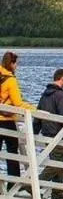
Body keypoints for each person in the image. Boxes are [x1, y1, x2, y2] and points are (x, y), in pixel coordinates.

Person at [0, 51, 36, 187]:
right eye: (16, 64)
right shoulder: (10, 80)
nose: (17, 67)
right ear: (11, 64)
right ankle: (14, 183)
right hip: (7, 120)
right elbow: (17, 103)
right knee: (12, 151)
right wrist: (33, 109)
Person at [36, 67, 63, 199]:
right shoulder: (61, 95)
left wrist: (34, 131)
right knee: (57, 163)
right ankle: (34, 184)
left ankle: (57, 192)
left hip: (46, 132)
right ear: (62, 78)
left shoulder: (45, 94)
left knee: (58, 161)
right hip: (58, 133)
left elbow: (38, 114)